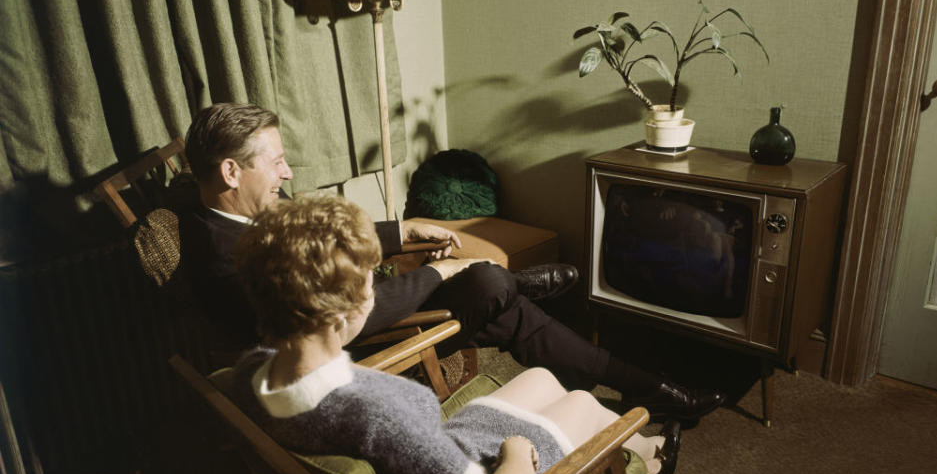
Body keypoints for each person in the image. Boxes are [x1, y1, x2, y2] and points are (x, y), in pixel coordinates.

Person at [180, 102, 725, 419]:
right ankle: (524, 294)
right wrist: (436, 272)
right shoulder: (224, 259)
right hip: (346, 339)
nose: (286, 174)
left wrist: (399, 230)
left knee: (499, 299)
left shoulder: (245, 213)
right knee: (486, 285)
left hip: (357, 301)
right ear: (231, 172)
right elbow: (343, 322)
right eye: (275, 163)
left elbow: (316, 235)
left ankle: (639, 383)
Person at [228, 195, 680, 474]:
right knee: (582, 402)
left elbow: (385, 433)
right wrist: (517, 453)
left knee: (543, 378)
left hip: (414, 471)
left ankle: (640, 448)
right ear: (348, 312)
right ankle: (647, 457)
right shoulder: (377, 411)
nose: (376, 288)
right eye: (371, 281)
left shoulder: (251, 369)